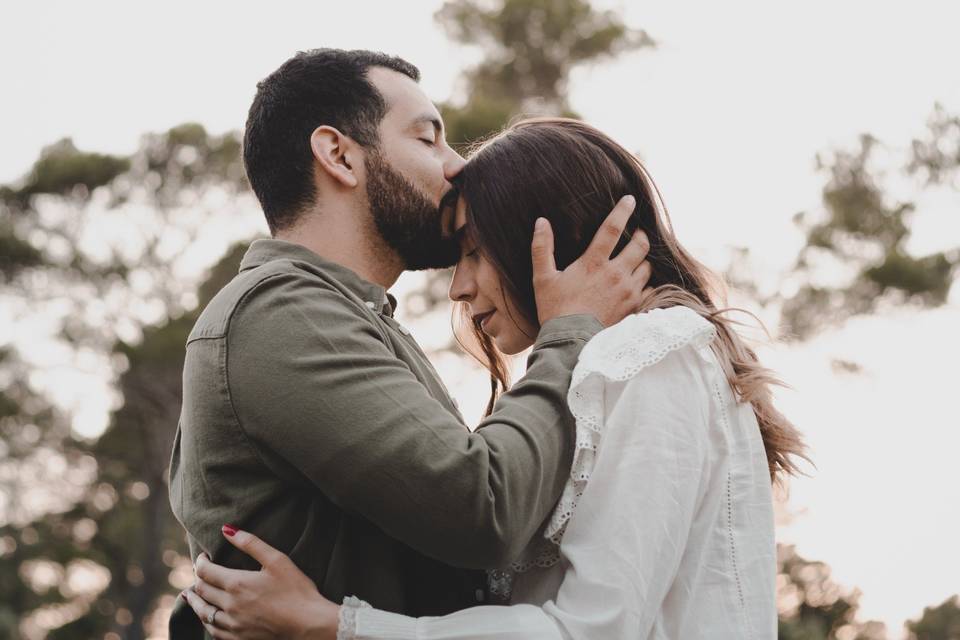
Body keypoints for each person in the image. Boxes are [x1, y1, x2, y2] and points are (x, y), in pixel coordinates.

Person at [182, 118, 808, 639]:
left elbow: (595, 630)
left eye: (475, 251)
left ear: (549, 240)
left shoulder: (656, 355)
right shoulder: (596, 369)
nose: (458, 286)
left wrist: (336, 625)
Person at [168, 48, 653, 639]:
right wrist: (571, 331)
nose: (455, 167)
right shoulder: (283, 312)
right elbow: (483, 510)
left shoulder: (349, 316)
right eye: (428, 139)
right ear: (339, 155)